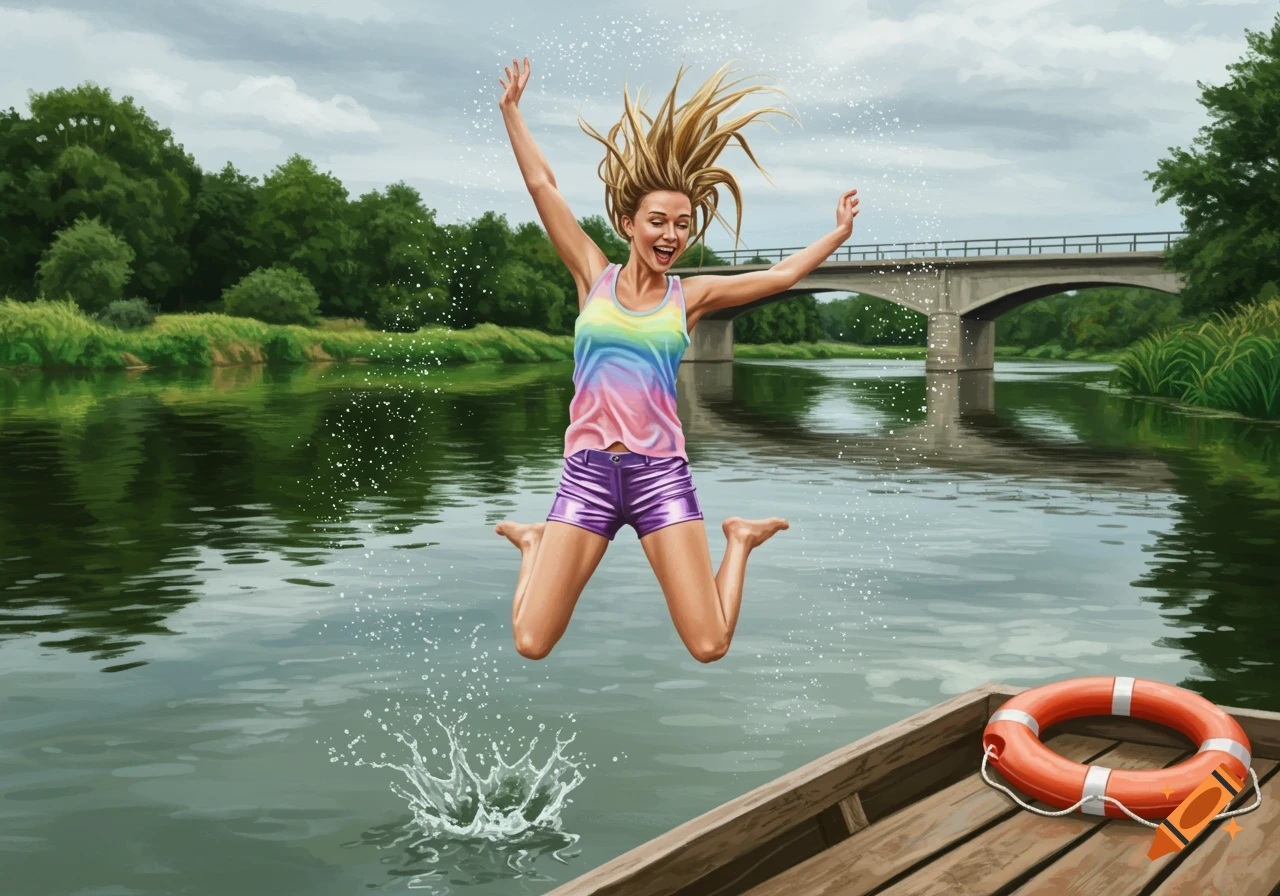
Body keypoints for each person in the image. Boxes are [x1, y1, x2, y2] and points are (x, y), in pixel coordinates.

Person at [493, 56, 860, 663]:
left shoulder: (690, 296)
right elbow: (543, 187)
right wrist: (512, 112)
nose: (670, 235)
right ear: (627, 223)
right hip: (587, 475)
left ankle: (740, 538)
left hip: (658, 475)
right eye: (658, 221)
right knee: (531, 642)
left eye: (683, 225)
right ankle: (536, 544)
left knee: (709, 644)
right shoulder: (592, 275)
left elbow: (779, 276)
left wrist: (837, 234)